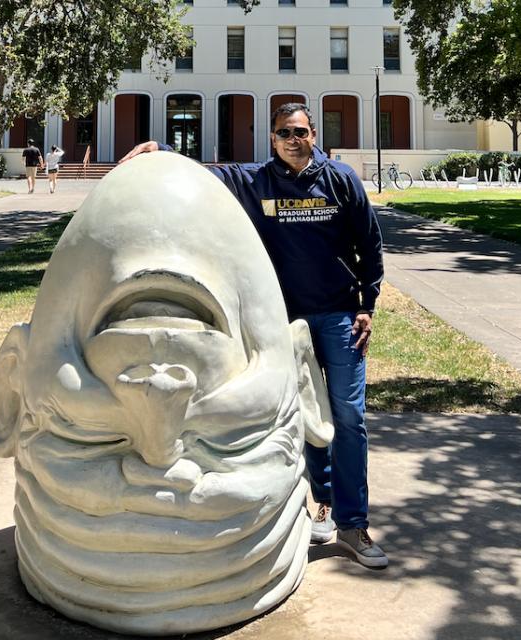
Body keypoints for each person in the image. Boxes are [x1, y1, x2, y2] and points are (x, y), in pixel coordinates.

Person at [119, 103, 387, 568]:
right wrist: (160, 150)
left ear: (313, 134)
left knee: (348, 417)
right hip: (287, 321)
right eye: (283, 133)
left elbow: (370, 243)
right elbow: (207, 174)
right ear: (272, 137)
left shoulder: (340, 179)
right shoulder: (256, 181)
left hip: (340, 315)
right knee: (307, 413)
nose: (292, 140)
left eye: (299, 132)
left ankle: (354, 523)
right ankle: (324, 504)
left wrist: (367, 304)